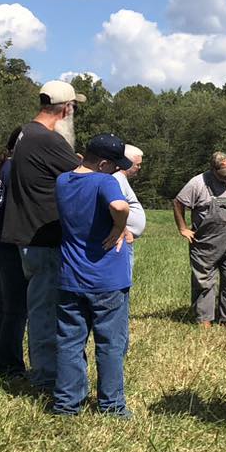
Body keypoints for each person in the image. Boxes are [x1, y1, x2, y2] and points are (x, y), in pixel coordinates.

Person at [2, 80, 85, 394]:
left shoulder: (25, 132)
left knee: (41, 307)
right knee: (45, 311)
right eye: (73, 107)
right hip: (44, 238)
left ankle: (47, 372)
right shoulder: (47, 139)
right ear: (66, 108)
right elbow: (82, 175)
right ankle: (47, 378)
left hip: (30, 236)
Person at [52, 134, 133, 417]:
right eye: (114, 166)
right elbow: (120, 206)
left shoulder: (62, 181)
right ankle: (112, 406)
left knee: (69, 342)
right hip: (106, 278)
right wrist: (118, 227)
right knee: (110, 344)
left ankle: (66, 403)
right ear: (102, 163)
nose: (118, 171)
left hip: (70, 275)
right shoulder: (104, 181)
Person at [174, 151, 226, 329]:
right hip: (205, 242)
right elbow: (178, 202)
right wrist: (183, 228)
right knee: (204, 281)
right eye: (223, 174)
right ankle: (204, 319)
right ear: (213, 170)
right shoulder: (198, 183)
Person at [0, 128, 28, 380]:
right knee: (15, 309)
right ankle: (9, 366)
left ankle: (1, 358)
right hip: (10, 245)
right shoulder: (15, 169)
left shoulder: (5, 167)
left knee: (6, 308)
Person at [112, 145, 146, 268]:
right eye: (137, 164)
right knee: (123, 277)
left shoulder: (121, 179)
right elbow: (114, 207)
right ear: (127, 162)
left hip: (124, 238)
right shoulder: (117, 178)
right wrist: (125, 231)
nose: (139, 168)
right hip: (122, 239)